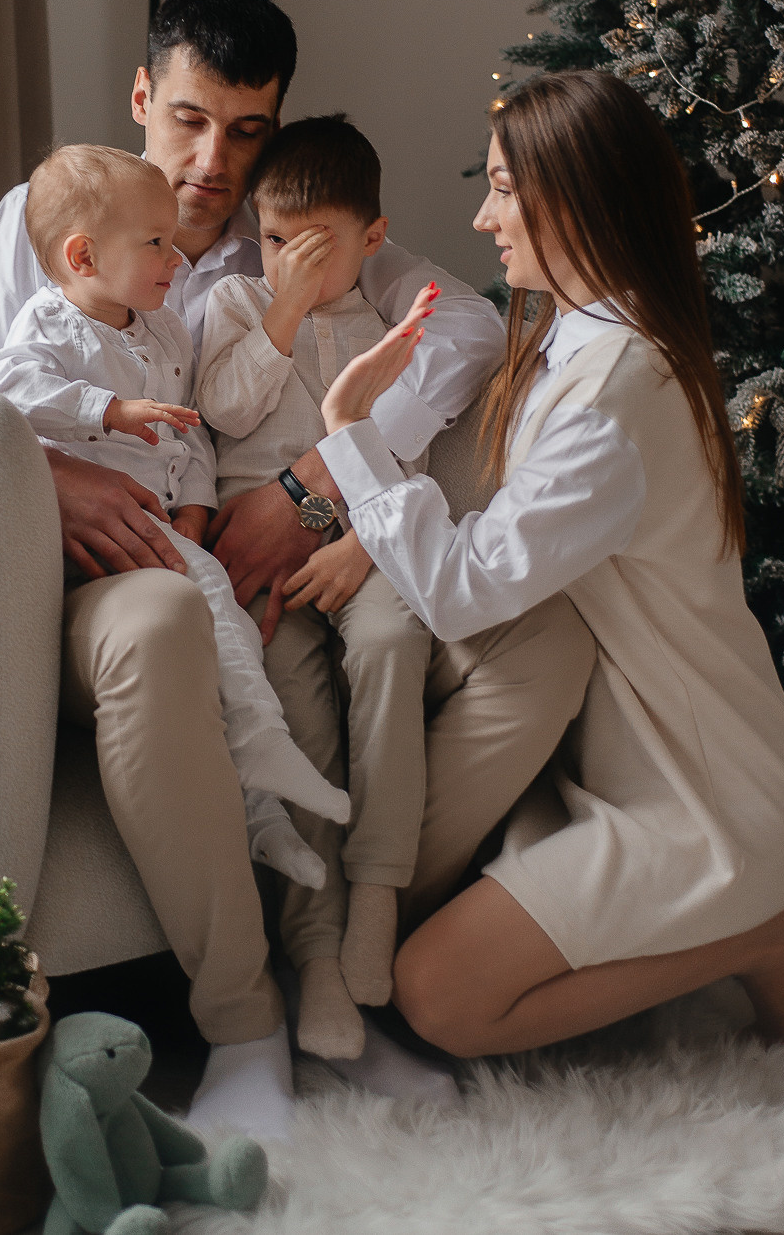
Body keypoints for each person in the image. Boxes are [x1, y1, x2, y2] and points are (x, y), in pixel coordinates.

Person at [0, 0, 586, 1137]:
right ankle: (242, 1024)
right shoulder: (45, 220)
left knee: (497, 635)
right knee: (170, 627)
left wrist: (320, 484)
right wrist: (56, 478)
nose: (209, 157)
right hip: (85, 576)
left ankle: (346, 967)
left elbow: (466, 321)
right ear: (141, 97)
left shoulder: (281, 233)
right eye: (187, 118)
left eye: (243, 129)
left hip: (231, 557)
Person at [315, 70, 784, 1057]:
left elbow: (463, 592)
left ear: (581, 194)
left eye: (504, 187)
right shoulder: (587, 345)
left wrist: (348, 432)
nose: (480, 214)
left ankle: (773, 932)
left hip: (707, 797)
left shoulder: (611, 388)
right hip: (626, 766)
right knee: (436, 963)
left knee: (439, 997)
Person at [0, 143, 350, 850]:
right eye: (155, 243)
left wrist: (198, 504)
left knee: (222, 634)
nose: (176, 260)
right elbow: (5, 390)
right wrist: (107, 411)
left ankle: (261, 817)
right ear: (83, 258)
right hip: (88, 538)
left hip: (161, 525)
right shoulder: (46, 325)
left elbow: (190, 437)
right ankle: (267, 747)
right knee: (213, 598)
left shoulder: (166, 330)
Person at [197, 115, 438, 1057]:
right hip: (264, 565)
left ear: (371, 238)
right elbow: (222, 406)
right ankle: (318, 953)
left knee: (392, 642)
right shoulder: (235, 308)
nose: (287, 263)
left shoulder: (388, 331)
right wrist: (281, 311)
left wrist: (365, 546)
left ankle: (377, 890)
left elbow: (400, 460)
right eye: (272, 242)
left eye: (314, 249)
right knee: (297, 711)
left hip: (356, 544)